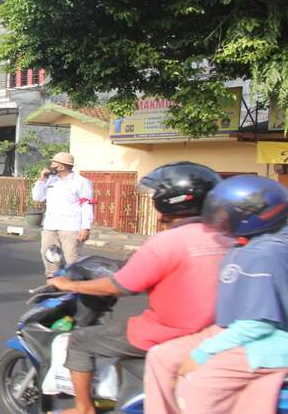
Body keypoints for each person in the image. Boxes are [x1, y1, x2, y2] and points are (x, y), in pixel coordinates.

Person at [46, 162, 226, 414]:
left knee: (80, 340)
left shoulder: (165, 242)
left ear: (169, 200)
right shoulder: (226, 238)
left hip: (168, 333)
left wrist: (69, 284)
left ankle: (83, 408)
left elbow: (121, 285)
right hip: (214, 332)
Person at [144, 176, 288, 414]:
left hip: (270, 339)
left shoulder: (265, 254)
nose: (218, 218)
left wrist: (202, 354)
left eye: (224, 213)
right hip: (236, 328)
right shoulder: (247, 243)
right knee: (161, 356)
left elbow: (257, 325)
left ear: (248, 217)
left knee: (200, 384)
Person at [31, 152, 95, 277]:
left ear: (62, 167)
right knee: (49, 255)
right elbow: (37, 197)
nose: (50, 166)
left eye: (53, 163)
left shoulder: (81, 182)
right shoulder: (51, 180)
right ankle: (53, 280)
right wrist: (42, 179)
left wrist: (85, 227)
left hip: (70, 227)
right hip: (50, 225)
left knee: (72, 259)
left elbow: (87, 205)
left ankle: (75, 286)